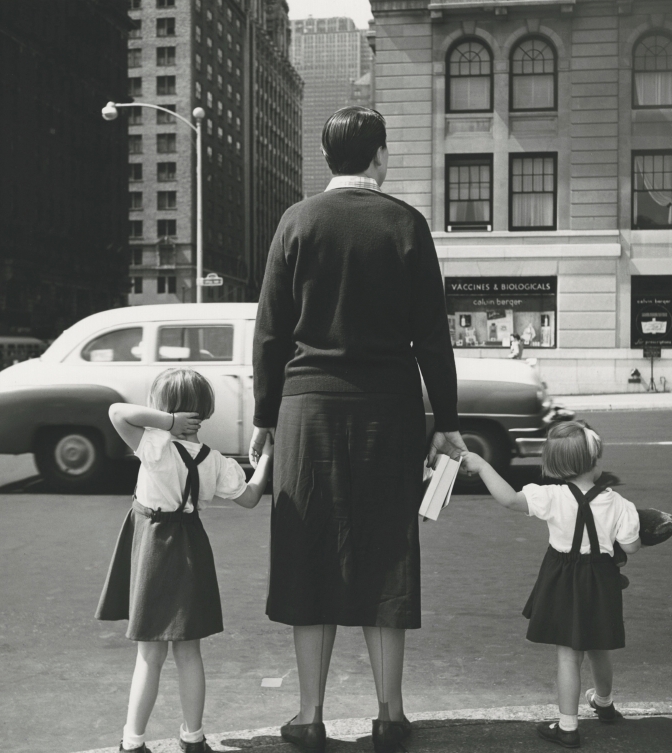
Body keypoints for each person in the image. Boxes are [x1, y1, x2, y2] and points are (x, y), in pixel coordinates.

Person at [250, 106, 466, 753]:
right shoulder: (406, 224)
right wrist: (446, 423)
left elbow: (268, 333)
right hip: (388, 410)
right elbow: (432, 333)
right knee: (385, 554)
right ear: (380, 156)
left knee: (308, 551)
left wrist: (264, 418)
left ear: (325, 158)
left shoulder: (296, 221)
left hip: (306, 409)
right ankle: (389, 714)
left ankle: (309, 715)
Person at [95, 368, 274, 753]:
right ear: (205, 410)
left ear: (163, 409)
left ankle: (133, 741)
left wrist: (167, 422)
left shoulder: (154, 444)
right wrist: (266, 459)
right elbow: (249, 497)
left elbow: (115, 411)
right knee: (190, 652)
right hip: (191, 545)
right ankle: (193, 738)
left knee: (149, 654)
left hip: (153, 546)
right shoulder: (215, 462)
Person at [460, 421, 641, 749]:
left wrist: (484, 466)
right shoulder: (618, 503)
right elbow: (631, 547)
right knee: (599, 646)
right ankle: (604, 702)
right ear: (593, 459)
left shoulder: (552, 496)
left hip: (563, 578)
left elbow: (510, 500)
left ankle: (568, 726)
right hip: (601, 580)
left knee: (569, 655)